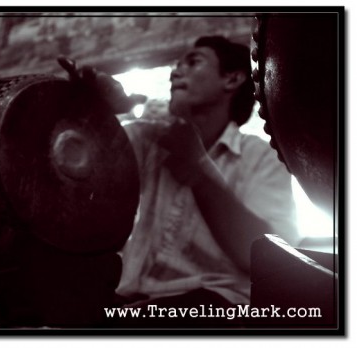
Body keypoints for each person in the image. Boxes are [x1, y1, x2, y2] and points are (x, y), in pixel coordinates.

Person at [58, 35, 298, 327]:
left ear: (232, 79)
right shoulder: (146, 139)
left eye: (194, 62)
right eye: (177, 64)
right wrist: (96, 111)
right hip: (131, 301)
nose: (175, 71)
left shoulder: (260, 156)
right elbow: (79, 178)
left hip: (215, 307)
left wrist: (196, 166)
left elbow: (265, 259)